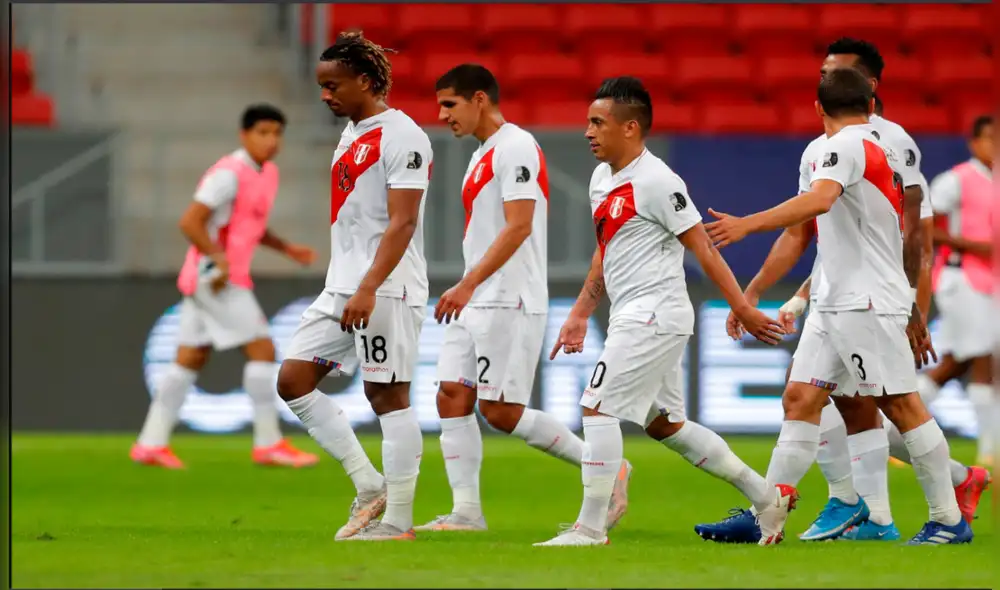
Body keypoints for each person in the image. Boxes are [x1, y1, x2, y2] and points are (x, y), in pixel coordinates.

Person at [695, 38, 989, 545]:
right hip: (836, 300)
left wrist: (747, 225)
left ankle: (947, 517)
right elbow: (830, 225)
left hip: (869, 299)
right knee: (800, 395)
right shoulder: (840, 149)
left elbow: (819, 201)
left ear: (818, 107)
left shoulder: (852, 147)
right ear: (870, 103)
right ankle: (774, 511)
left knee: (899, 405)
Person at [535, 77, 790, 547]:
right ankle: (766, 497)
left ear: (630, 128)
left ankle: (590, 529)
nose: (588, 131)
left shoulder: (658, 181)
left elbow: (703, 249)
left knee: (596, 405)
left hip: (655, 314)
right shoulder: (601, 179)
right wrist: (578, 313)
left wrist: (743, 306)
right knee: (664, 425)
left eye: (598, 122)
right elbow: (605, 251)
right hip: (635, 313)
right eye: (587, 121)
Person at [415, 64, 630, 532]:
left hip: (508, 296)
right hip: (477, 297)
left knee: (500, 411)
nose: (441, 115)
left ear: (479, 100)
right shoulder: (481, 154)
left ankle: (604, 465)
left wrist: (468, 283)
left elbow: (519, 225)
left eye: (449, 104)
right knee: (451, 396)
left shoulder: (515, 147)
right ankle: (467, 512)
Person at [275, 31, 434, 542]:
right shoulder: (352, 131)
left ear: (365, 81)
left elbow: (402, 223)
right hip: (342, 286)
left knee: (387, 395)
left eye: (333, 85)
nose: (326, 95)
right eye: (322, 87)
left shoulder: (403, 136)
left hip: (384, 286)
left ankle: (399, 521)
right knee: (293, 381)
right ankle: (369, 485)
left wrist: (368, 286)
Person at [131, 104, 319, 470]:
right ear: (244, 135)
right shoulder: (227, 174)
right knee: (263, 350)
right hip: (216, 277)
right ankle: (269, 444)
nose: (271, 140)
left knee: (190, 357)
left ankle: (150, 444)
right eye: (263, 132)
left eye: (277, 133)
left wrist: (287, 248)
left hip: (215, 275)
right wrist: (217, 257)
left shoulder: (267, 173)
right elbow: (190, 222)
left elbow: (249, 225)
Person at [925, 115, 995, 467]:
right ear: (974, 143)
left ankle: (900, 422)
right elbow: (924, 229)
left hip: (991, 282)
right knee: (986, 357)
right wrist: (969, 244)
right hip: (961, 276)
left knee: (955, 364)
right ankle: (989, 451)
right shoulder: (955, 181)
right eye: (989, 138)